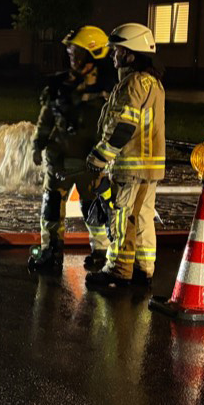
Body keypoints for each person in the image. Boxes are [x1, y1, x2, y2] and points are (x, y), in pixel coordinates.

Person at [28, 25, 116, 272]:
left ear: (93, 54)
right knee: (51, 208)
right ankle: (51, 252)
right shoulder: (58, 85)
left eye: (77, 53)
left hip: (90, 164)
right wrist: (38, 145)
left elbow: (115, 127)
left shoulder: (108, 90)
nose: (72, 58)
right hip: (59, 162)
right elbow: (46, 119)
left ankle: (100, 252)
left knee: (94, 210)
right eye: (70, 53)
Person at [85, 23, 166, 289]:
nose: (112, 55)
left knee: (121, 218)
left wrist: (99, 157)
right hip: (150, 169)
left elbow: (123, 127)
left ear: (130, 54)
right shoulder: (153, 83)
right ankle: (143, 270)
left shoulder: (132, 84)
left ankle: (118, 270)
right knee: (143, 219)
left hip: (130, 167)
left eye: (117, 50)